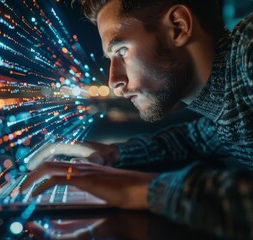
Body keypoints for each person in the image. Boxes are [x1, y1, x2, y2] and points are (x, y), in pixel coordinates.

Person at [21, 0, 253, 238]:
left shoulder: (249, 47)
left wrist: (143, 191)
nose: (114, 82)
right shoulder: (226, 99)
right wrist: (115, 155)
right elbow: (197, 138)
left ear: (178, 27)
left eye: (121, 51)